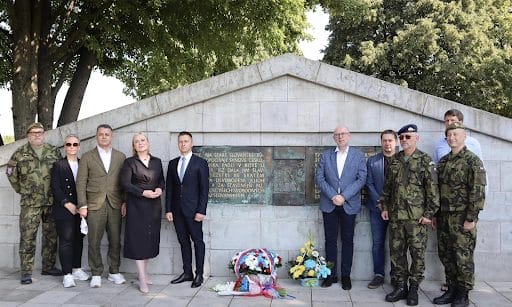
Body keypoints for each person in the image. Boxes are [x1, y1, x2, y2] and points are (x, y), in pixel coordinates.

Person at [380, 124, 439, 306]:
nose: (404, 140)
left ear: (416, 138)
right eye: (402, 137)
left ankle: (413, 288)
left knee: (417, 255)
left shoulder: (424, 160)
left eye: (408, 137)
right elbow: (387, 189)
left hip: (417, 219)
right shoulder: (395, 161)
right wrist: (384, 207)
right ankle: (400, 287)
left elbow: (433, 192)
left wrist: (429, 214)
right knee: (397, 254)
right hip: (396, 218)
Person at [432, 123, 486, 307]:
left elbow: (477, 191)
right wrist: (435, 215)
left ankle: (463, 294)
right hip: (445, 217)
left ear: (464, 137)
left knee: (463, 256)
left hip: (463, 218)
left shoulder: (473, 161)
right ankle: (452, 290)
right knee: (446, 254)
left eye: (455, 134)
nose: (452, 138)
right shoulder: (445, 161)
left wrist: (471, 218)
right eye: (449, 135)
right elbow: (437, 190)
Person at [5, 122, 63, 284]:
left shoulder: (53, 151)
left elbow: (60, 173)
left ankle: (48, 266)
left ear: (44, 134)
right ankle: (26, 272)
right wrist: (22, 190)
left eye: (40, 132)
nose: (37, 135)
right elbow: (10, 173)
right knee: (28, 237)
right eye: (33, 132)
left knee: (51, 236)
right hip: (30, 204)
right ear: (28, 135)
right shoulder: (19, 153)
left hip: (51, 202)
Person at [315, 125, 367, 290]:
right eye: (337, 134)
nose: (340, 137)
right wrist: (333, 196)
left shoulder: (358, 155)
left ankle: (346, 276)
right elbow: (319, 177)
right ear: (334, 138)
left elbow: (361, 178)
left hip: (349, 204)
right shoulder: (326, 155)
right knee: (330, 241)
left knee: (347, 241)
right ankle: (330, 275)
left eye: (343, 134)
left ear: (349, 136)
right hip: (329, 204)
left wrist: (344, 196)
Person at [76, 124, 126, 288]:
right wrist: (82, 204)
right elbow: (81, 182)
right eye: (101, 134)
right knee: (94, 240)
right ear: (96, 136)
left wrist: (124, 202)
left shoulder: (120, 156)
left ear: (112, 137)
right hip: (94, 205)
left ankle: (114, 271)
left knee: (115, 240)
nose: (104, 137)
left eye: (107, 134)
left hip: (115, 203)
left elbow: (124, 182)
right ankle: (96, 272)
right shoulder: (87, 157)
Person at [120, 133, 165, 293]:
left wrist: (160, 189)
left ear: (148, 142)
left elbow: (161, 180)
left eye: (142, 140)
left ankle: (144, 274)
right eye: (136, 141)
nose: (140, 143)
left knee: (149, 240)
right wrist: (142, 193)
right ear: (134, 145)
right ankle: (141, 279)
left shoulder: (157, 161)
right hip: (136, 205)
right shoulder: (129, 162)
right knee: (138, 241)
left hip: (153, 206)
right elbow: (125, 183)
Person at [165, 131, 209, 288]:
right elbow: (169, 188)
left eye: (186, 141)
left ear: (191, 143)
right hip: (177, 211)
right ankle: (187, 272)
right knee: (183, 241)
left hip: (194, 211)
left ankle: (199, 274)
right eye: (180, 142)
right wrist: (168, 209)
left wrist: (201, 211)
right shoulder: (172, 163)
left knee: (198, 242)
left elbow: (204, 190)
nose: (183, 144)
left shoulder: (200, 163)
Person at [51, 135, 90, 288]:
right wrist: (67, 204)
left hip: (81, 208)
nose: (72, 147)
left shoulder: (83, 164)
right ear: (65, 146)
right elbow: (55, 187)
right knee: (66, 241)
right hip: (64, 209)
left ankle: (76, 269)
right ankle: (67, 274)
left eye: (75, 144)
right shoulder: (58, 165)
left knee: (79, 239)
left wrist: (83, 206)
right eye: (69, 144)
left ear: (79, 146)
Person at [365, 129, 398, 289]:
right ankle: (378, 274)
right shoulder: (372, 161)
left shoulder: (403, 160)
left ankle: (395, 275)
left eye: (390, 140)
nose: (387, 143)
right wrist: (381, 203)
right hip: (377, 209)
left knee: (396, 243)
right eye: (384, 140)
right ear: (381, 142)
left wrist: (392, 205)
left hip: (398, 211)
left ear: (396, 142)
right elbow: (369, 183)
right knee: (377, 243)